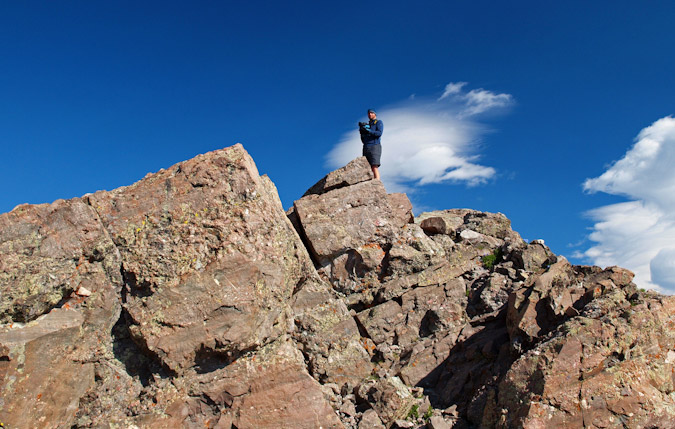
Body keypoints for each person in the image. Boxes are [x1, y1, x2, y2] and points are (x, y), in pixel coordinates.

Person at [359, 109, 383, 179]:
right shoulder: (367, 125)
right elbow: (363, 140)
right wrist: (362, 133)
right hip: (366, 146)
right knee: (367, 168)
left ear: (375, 114)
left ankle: (377, 183)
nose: (370, 114)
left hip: (375, 146)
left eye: (372, 113)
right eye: (369, 113)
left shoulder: (378, 122)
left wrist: (369, 131)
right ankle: (371, 183)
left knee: (374, 166)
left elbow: (379, 133)